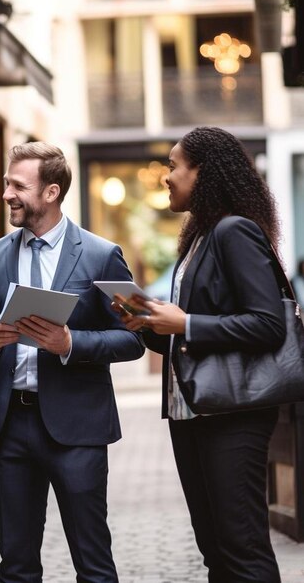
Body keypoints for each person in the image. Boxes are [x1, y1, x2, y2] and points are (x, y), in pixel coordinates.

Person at [0, 141, 144, 583]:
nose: (6, 195)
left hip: (78, 429)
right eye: (6, 184)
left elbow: (138, 337)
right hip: (10, 430)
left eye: (17, 186)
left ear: (51, 192)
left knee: (93, 563)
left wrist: (70, 344)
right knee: (17, 566)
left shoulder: (103, 253)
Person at [113, 126, 285, 582]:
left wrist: (184, 322)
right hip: (194, 412)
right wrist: (150, 325)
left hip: (233, 414)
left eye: (174, 166)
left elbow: (267, 324)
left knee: (242, 547)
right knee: (215, 549)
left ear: (203, 173)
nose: (166, 177)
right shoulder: (200, 238)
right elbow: (190, 333)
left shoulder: (235, 232)